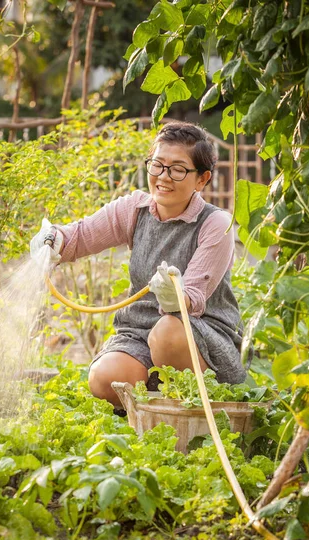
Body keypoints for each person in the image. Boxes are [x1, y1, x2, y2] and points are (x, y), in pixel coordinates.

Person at [31, 121, 247, 408]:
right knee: (105, 377)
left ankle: (192, 413)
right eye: (157, 165)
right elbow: (80, 237)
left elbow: (191, 300)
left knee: (168, 332)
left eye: (178, 169)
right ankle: (154, 414)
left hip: (200, 336)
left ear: (202, 179)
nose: (163, 177)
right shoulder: (135, 209)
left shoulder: (216, 223)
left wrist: (174, 294)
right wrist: (54, 240)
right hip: (140, 334)